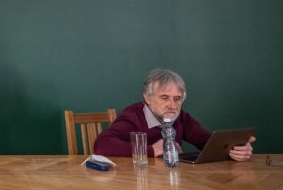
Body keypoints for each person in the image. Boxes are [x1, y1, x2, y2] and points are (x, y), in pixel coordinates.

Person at [94, 69, 255, 161]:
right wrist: (151, 149)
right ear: (147, 97)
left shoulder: (181, 117)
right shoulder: (133, 116)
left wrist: (234, 148)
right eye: (164, 97)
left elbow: (206, 141)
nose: (172, 105)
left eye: (177, 99)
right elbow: (101, 144)